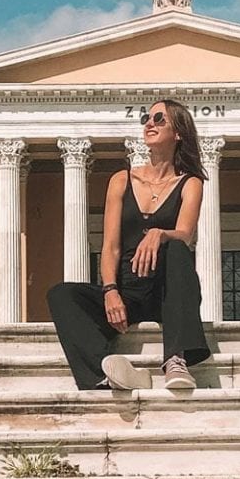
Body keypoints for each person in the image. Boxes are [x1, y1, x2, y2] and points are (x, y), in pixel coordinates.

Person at [48, 98, 212, 392]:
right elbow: (110, 246)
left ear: (178, 132)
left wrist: (160, 234)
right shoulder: (121, 180)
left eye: (159, 119)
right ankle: (104, 373)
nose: (150, 123)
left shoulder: (190, 183)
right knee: (61, 295)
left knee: (176, 249)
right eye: (147, 119)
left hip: (167, 294)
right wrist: (110, 291)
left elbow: (185, 233)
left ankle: (175, 359)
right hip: (127, 294)